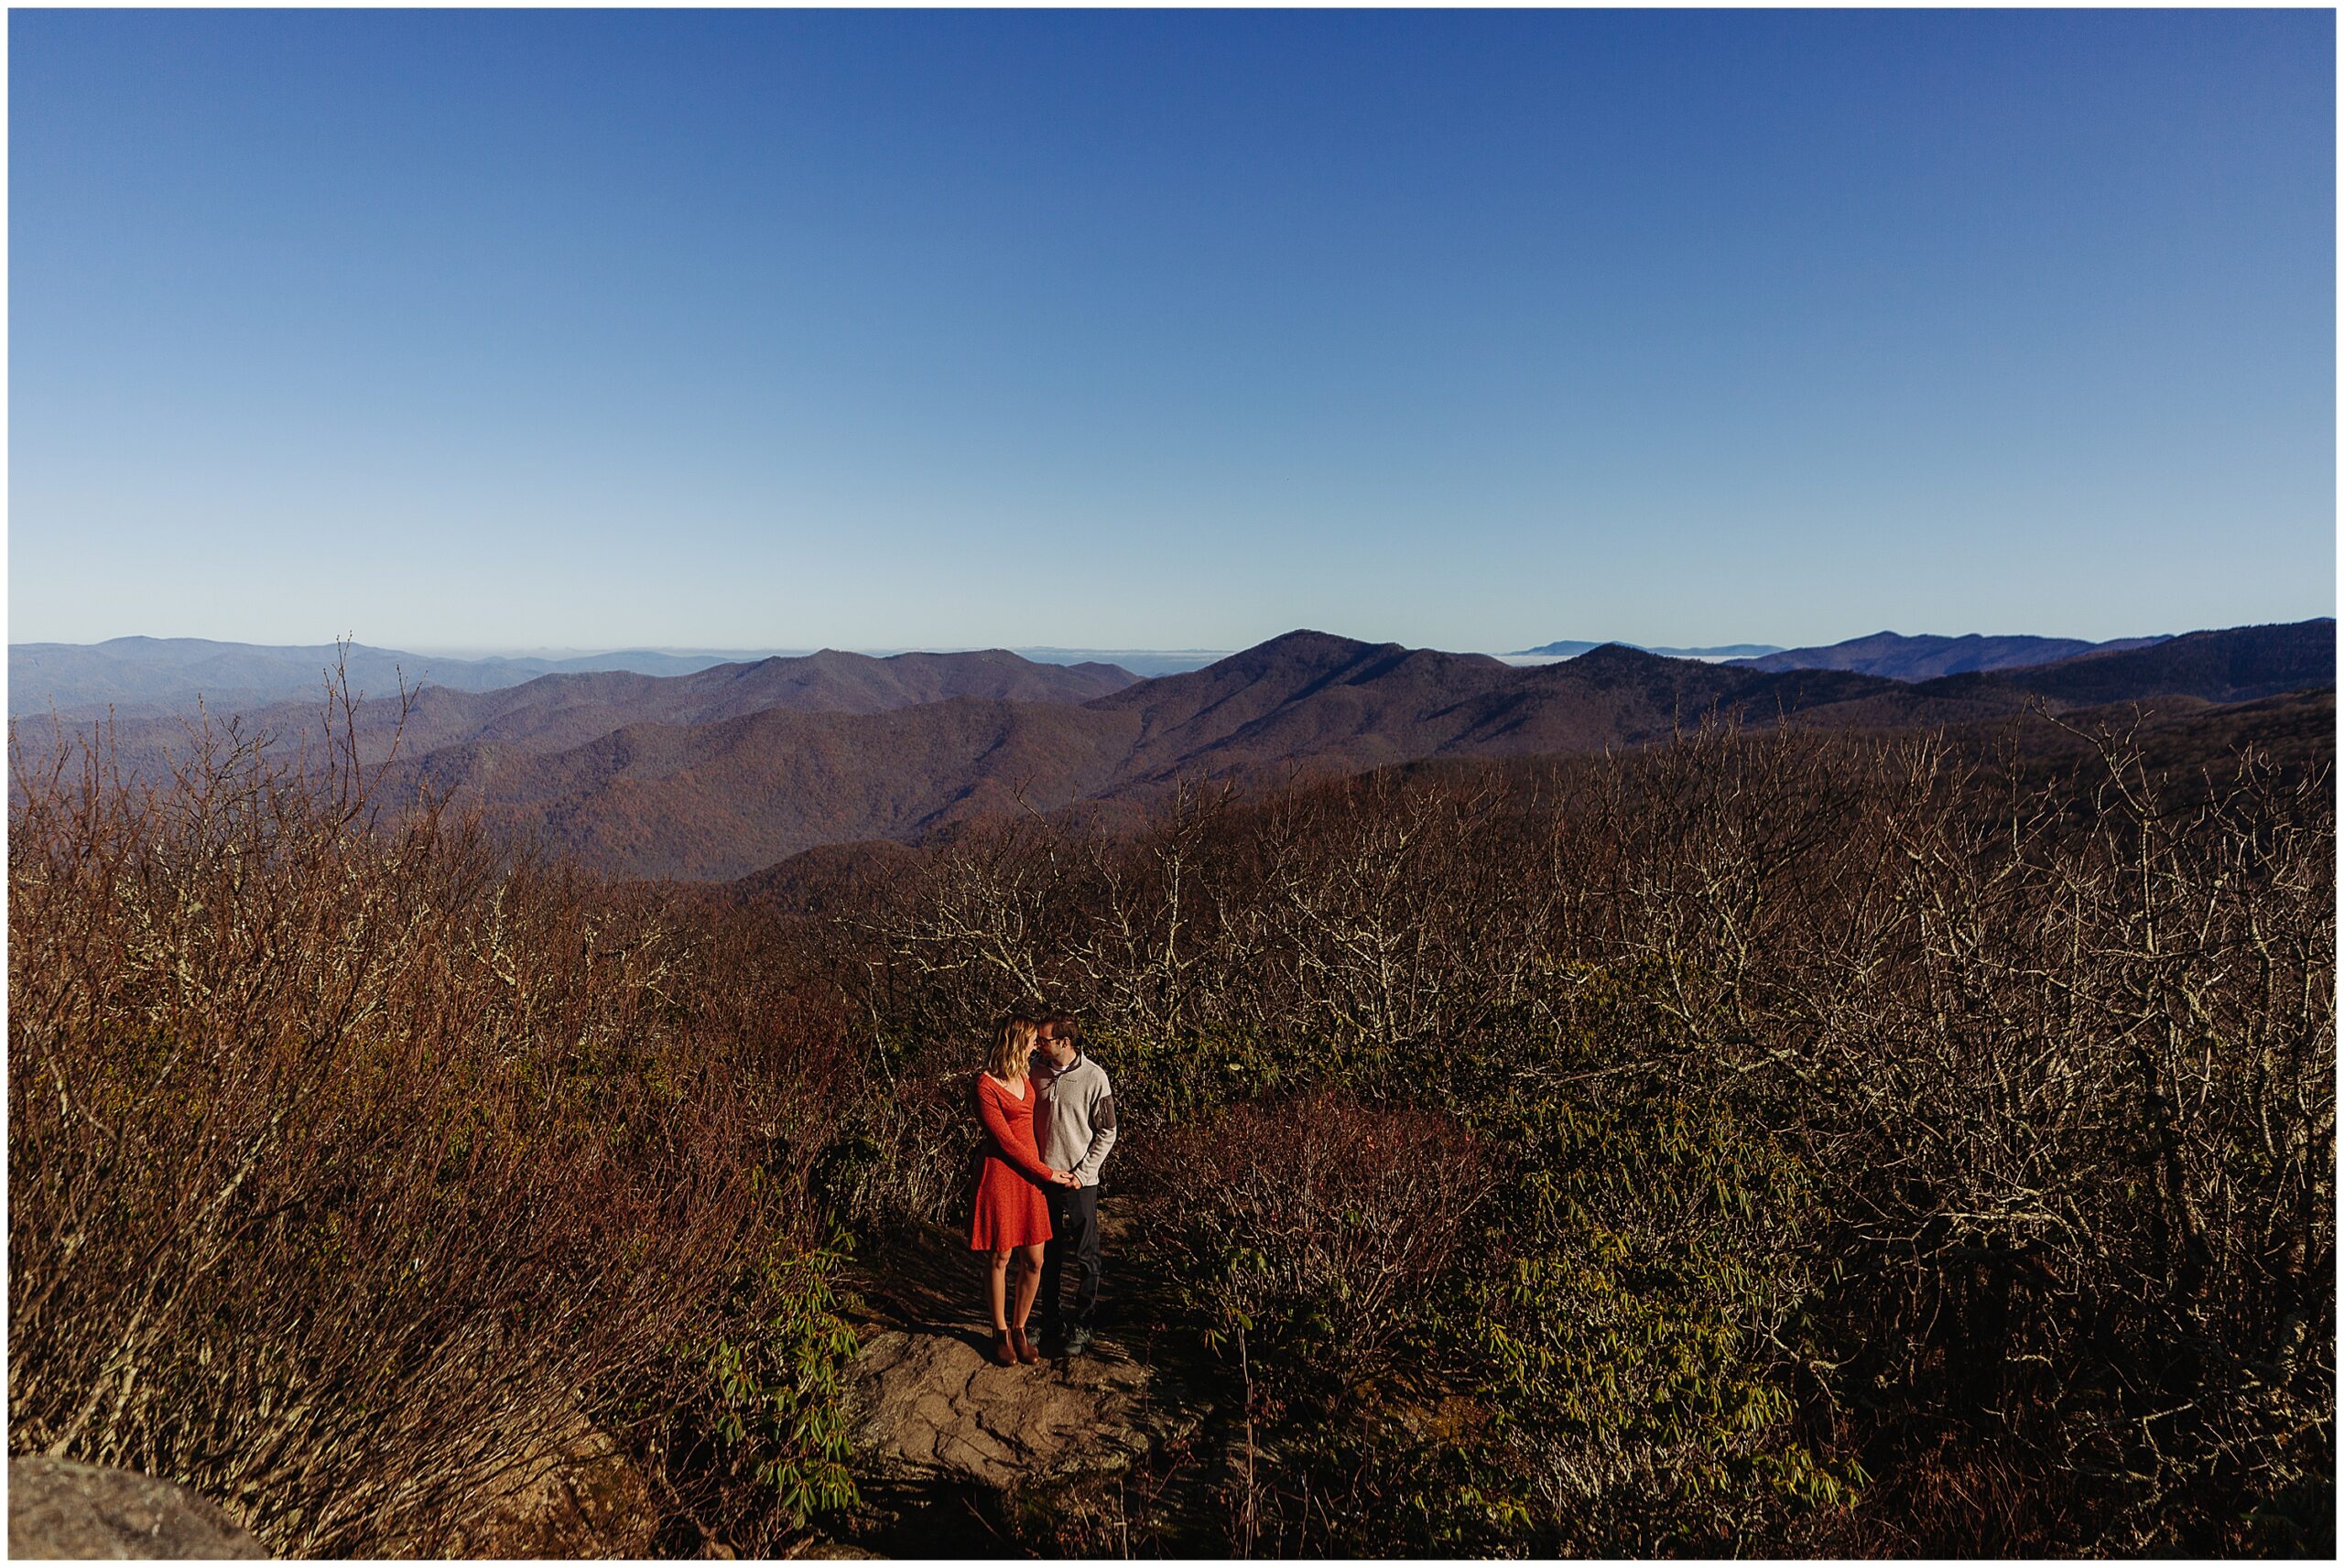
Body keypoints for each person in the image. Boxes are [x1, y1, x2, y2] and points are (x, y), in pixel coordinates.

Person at [970, 1015, 1079, 1368]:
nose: (1037, 1045)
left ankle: (1020, 1328)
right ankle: (1000, 1331)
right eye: (1032, 1040)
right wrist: (1048, 1172)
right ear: (1015, 1040)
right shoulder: (985, 1085)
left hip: (1031, 1177)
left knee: (1035, 1260)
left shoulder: (1026, 1074)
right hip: (1003, 1175)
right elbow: (1006, 1143)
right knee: (999, 1257)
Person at [1031, 1011, 1117, 1357]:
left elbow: (1108, 1131)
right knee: (1046, 1255)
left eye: (1044, 1040)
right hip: (1043, 1178)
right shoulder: (1034, 1072)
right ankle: (1050, 1318)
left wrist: (1083, 1173)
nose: (1038, 1045)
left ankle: (1084, 1323)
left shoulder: (1095, 1077)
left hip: (1081, 1182)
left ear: (1064, 1042)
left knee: (1086, 1255)